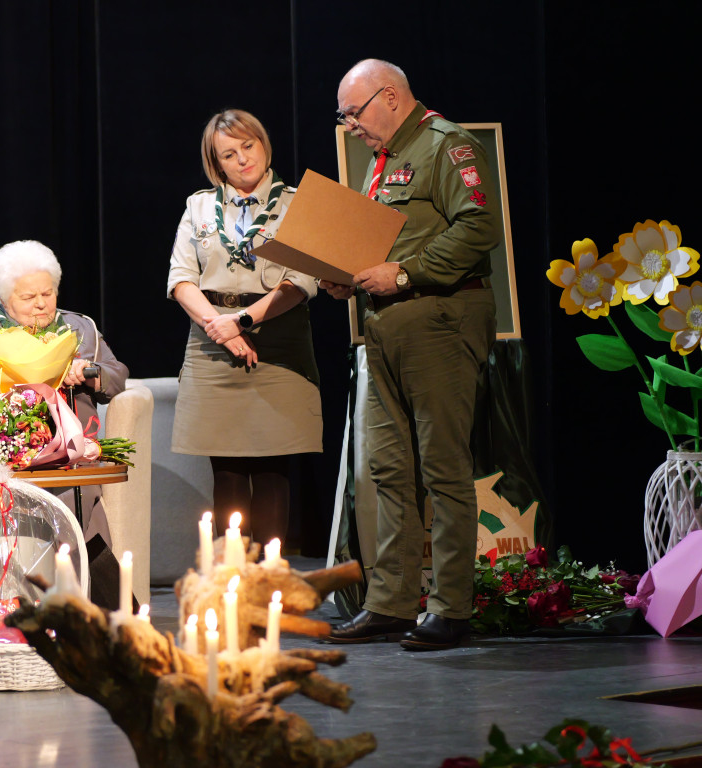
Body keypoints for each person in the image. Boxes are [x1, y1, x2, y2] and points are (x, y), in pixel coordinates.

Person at [323, 60, 500, 651]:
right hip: (385, 328)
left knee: (443, 467)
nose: (350, 127)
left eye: (354, 114)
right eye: (344, 117)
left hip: (439, 322)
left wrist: (402, 274)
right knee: (389, 470)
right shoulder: (382, 163)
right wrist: (346, 276)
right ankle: (391, 605)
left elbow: (478, 227)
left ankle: (451, 608)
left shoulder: (448, 145)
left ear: (390, 96)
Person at [167, 109, 322, 546]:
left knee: (274, 470)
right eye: (229, 154)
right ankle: (232, 584)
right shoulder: (198, 206)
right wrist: (224, 328)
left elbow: (302, 282)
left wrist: (246, 320)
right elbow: (180, 279)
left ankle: (271, 584)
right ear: (217, 164)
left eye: (248, 146)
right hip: (213, 342)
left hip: (280, 342)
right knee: (229, 471)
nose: (242, 160)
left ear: (263, 142)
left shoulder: (296, 202)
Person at [0, 239, 129, 545]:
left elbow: (117, 377)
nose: (41, 303)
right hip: (6, 448)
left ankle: (77, 586)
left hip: (70, 451)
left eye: (48, 293)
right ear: (4, 299)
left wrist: (87, 372)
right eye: (28, 296)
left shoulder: (79, 328)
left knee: (78, 495)